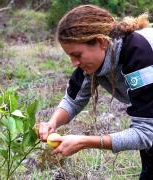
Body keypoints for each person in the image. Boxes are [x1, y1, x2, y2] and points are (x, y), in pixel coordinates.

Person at [37, 4, 153, 179]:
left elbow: (146, 133)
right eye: (70, 56)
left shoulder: (140, 58)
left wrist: (85, 142)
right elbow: (72, 100)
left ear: (101, 42)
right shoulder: (93, 63)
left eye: (77, 55)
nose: (74, 63)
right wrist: (52, 123)